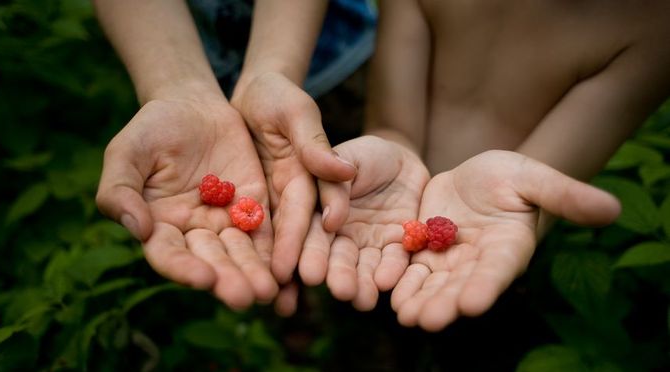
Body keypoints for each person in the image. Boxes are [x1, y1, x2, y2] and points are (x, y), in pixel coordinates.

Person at [300, 0, 670, 331]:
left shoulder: (652, 26)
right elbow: (392, 127)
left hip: (482, 246)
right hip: (382, 218)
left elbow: (536, 195)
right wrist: (389, 157)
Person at [91, 0, 376, 314]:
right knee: (285, 262)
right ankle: (299, 324)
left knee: (341, 225)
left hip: (336, 55)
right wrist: (178, 89)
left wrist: (270, 72)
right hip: (202, 73)